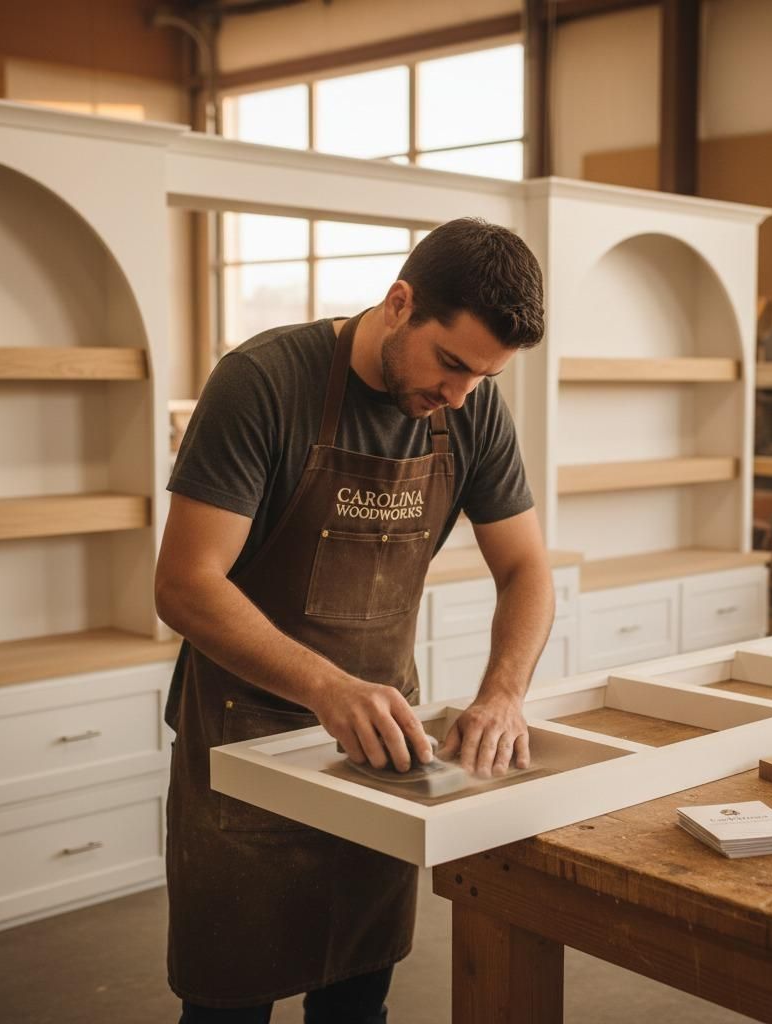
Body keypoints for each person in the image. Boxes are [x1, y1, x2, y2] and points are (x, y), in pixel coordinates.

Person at [154, 217, 555, 1023]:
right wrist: (328, 688)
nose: (459, 395)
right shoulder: (264, 383)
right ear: (399, 303)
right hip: (244, 746)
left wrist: (503, 694)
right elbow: (186, 586)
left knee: (354, 1002)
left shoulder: (470, 407)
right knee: (228, 1006)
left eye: (482, 377)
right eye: (450, 365)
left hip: (379, 748)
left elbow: (526, 570)